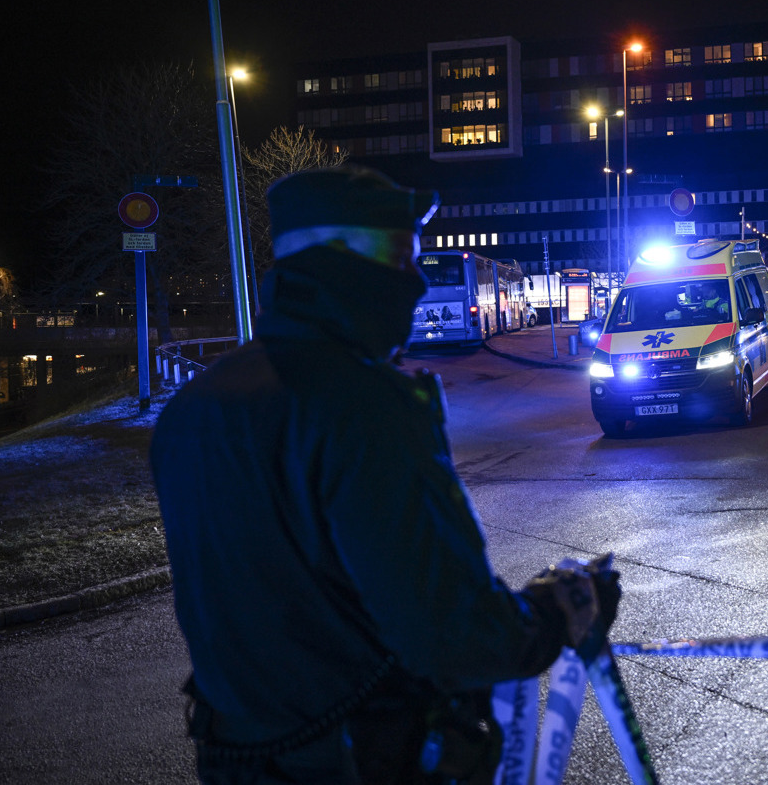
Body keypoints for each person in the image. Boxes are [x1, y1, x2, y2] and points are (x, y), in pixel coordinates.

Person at [150, 166, 619, 784]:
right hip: (365, 759)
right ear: (350, 264)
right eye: (404, 259)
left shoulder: (194, 408)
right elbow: (451, 634)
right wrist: (562, 608)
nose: (418, 282)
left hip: (238, 760)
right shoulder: (363, 405)